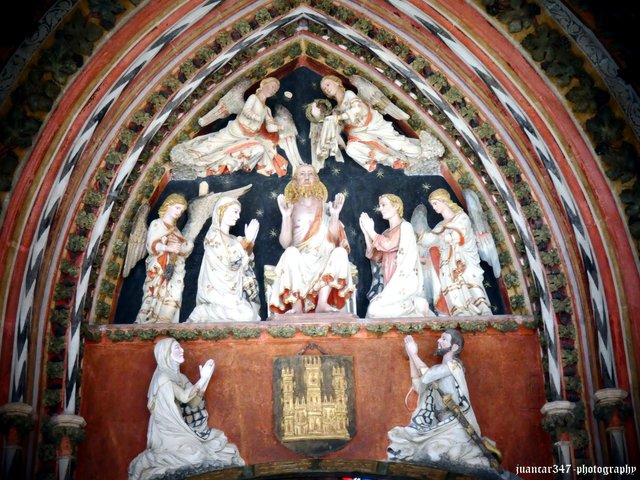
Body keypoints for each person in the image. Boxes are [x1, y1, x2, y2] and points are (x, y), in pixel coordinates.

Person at [128, 338, 245, 479]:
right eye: (177, 348)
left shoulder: (181, 377)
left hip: (180, 428)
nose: (182, 350)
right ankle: (150, 460)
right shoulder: (162, 378)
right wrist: (202, 379)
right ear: (166, 354)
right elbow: (184, 397)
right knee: (197, 454)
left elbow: (193, 403)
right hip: (167, 430)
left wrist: (206, 379)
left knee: (216, 444)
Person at [387, 331, 498, 467]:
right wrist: (411, 356)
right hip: (440, 425)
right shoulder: (436, 370)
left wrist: (415, 354)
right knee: (406, 439)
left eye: (444, 339)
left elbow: (427, 376)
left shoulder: (454, 366)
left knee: (432, 452)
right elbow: (419, 385)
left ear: (455, 347)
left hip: (457, 426)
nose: (439, 340)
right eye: (440, 338)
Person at [268, 164, 355, 314]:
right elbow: (284, 243)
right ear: (295, 181)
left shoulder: (325, 206)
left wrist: (334, 215)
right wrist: (286, 216)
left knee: (340, 252)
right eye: (302, 174)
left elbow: (334, 239)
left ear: (316, 179)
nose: (307, 177)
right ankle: (297, 307)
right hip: (299, 259)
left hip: (323, 256)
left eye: (310, 174)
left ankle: (322, 303)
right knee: (289, 253)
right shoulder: (291, 207)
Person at [170, 77, 288, 178]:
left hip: (248, 135)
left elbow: (271, 128)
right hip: (237, 130)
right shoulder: (253, 98)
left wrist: (278, 126)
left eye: (275, 89)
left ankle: (234, 165)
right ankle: (189, 157)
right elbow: (246, 111)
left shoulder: (266, 109)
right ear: (263, 84)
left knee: (236, 151)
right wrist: (255, 117)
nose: (273, 90)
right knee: (215, 143)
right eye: (272, 86)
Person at [318, 75, 424, 172]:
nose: (326, 88)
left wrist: (340, 117)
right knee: (351, 149)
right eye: (324, 89)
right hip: (359, 134)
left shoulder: (349, 94)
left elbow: (357, 109)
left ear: (337, 82)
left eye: (328, 84)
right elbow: (339, 128)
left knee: (398, 144)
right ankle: (390, 160)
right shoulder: (336, 110)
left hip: (374, 124)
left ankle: (421, 155)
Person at [418, 189, 492, 316]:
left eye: (435, 203)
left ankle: (482, 310)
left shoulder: (461, 217)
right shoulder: (440, 225)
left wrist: (443, 238)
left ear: (443, 201)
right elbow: (431, 239)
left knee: (469, 280)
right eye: (432, 205)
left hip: (463, 259)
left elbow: (460, 235)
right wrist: (421, 239)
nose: (434, 207)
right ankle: (459, 311)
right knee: (450, 283)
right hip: (446, 262)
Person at [186, 196, 260, 322]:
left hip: (233, 291)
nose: (238, 217)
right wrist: (246, 241)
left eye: (239, 213)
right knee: (247, 315)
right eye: (235, 212)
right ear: (222, 211)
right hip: (217, 291)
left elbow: (245, 263)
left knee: (251, 315)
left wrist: (250, 243)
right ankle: (203, 312)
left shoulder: (234, 239)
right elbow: (230, 260)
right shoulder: (213, 235)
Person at [359, 194, 432, 318]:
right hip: (390, 283)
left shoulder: (406, 227)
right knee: (374, 310)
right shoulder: (386, 233)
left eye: (384, 205)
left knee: (373, 310)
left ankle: (415, 306)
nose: (380, 208)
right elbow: (375, 256)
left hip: (403, 283)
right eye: (380, 205)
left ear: (396, 206)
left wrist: (371, 231)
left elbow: (388, 245)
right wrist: (367, 234)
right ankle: (415, 308)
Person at [135, 194, 194, 324]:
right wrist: (168, 248)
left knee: (175, 293)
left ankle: (165, 322)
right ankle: (146, 320)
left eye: (182, 211)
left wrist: (187, 246)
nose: (179, 213)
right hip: (159, 267)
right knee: (153, 294)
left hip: (174, 269)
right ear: (168, 205)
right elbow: (151, 245)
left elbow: (181, 251)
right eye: (177, 208)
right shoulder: (157, 224)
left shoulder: (176, 231)